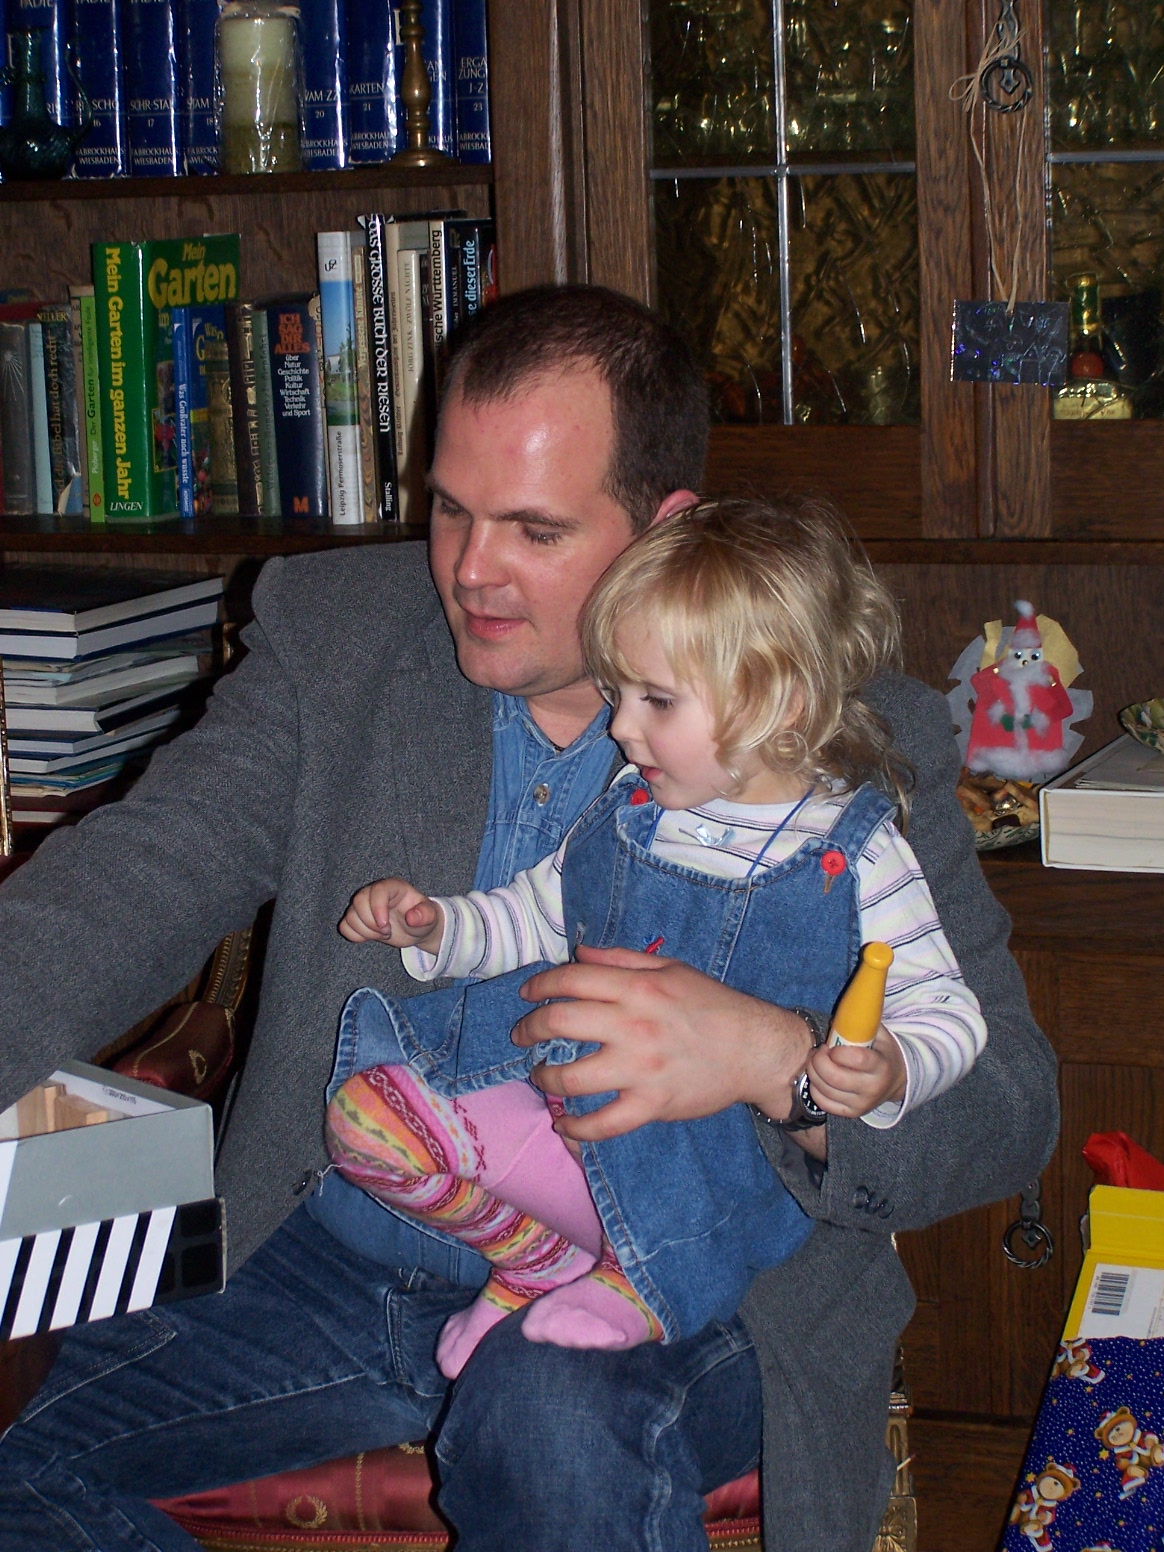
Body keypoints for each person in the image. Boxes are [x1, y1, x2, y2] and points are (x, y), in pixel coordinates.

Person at [0, 284, 1057, 1552]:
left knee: (546, 1419)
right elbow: (131, 879)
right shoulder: (338, 641)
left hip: (683, 1287)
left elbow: (1010, 1109)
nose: (469, 569)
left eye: (535, 528)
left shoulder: (819, 722)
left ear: (665, 526)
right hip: (327, 1248)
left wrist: (776, 1061)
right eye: (449, 506)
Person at [325, 498, 987, 1379]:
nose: (621, 728)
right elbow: (535, 914)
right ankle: (535, 1257)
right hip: (560, 1097)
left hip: (706, 1174)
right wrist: (440, 926)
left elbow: (949, 1012)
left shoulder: (857, 854)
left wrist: (894, 1066)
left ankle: (647, 1274)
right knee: (366, 1120)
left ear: (779, 702)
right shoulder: (632, 806)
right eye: (618, 693)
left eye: (657, 701)